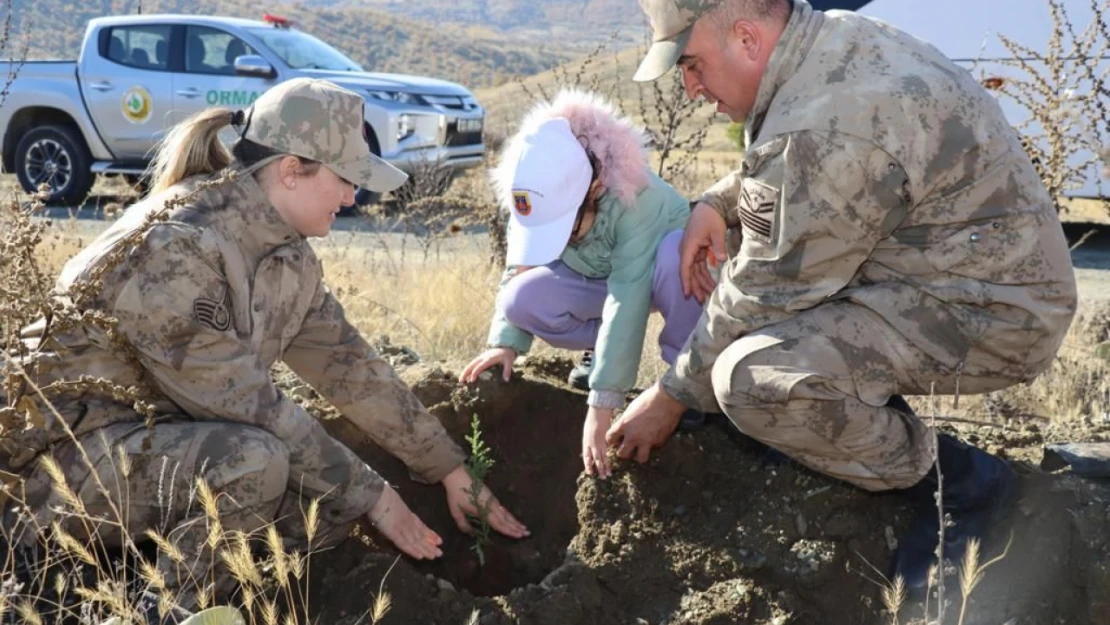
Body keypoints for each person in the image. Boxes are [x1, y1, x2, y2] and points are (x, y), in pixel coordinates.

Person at [2, 78, 528, 622]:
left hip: (149, 448)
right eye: (345, 179)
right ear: (291, 169)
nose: (353, 197)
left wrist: (447, 467)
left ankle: (165, 576)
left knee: (322, 508)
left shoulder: (284, 253)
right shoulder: (176, 248)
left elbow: (351, 368)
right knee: (256, 463)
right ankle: (156, 611)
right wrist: (375, 496)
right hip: (49, 473)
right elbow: (251, 406)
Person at [609, 0, 1077, 592]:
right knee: (757, 326)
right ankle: (856, 414)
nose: (690, 86)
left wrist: (671, 395)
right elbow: (793, 164)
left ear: (748, 39)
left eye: (693, 63)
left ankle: (962, 489)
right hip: (954, 271)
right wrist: (717, 203)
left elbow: (763, 288)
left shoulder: (823, 126)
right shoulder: (828, 41)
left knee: (752, 377)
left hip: (993, 313)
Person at [459, 89, 706, 479]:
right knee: (519, 300)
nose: (560, 238)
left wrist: (601, 405)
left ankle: (684, 380)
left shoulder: (639, 199)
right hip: (592, 278)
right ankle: (598, 349)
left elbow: (628, 297)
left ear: (593, 189)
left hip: (657, 274)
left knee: (680, 255)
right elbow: (519, 267)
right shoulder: (534, 185)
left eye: (565, 227)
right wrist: (506, 343)